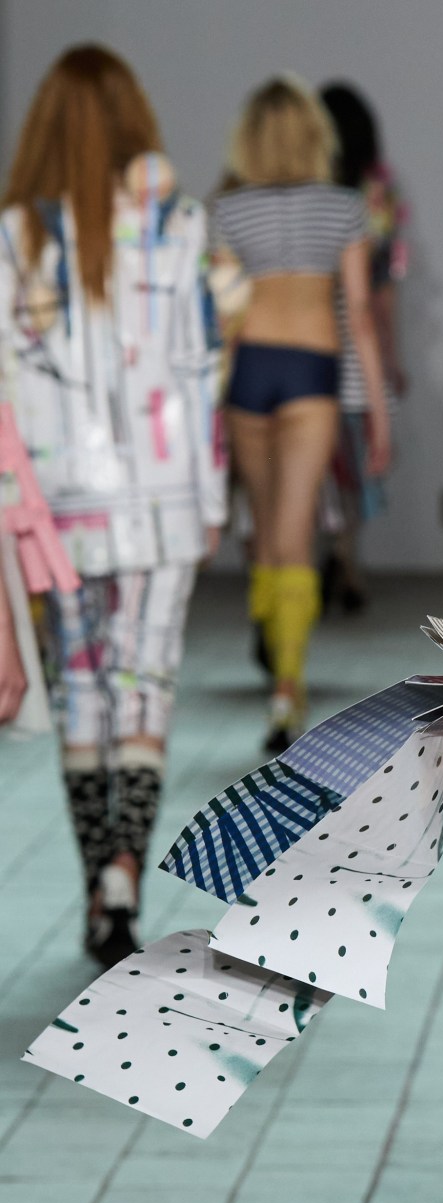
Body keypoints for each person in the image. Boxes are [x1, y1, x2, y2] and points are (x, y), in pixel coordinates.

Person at [0, 44, 226, 965]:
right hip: (163, 497)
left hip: (58, 508)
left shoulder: (14, 237)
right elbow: (199, 367)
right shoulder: (178, 223)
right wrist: (211, 495)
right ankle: (128, 868)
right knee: (145, 682)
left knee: (83, 686)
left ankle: (98, 878)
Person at [212, 76, 390, 752]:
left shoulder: (227, 211)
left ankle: (277, 657)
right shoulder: (346, 208)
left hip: (248, 371)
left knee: (264, 533)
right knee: (294, 533)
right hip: (311, 373)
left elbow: (223, 317)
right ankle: (288, 685)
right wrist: (378, 414)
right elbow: (360, 317)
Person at [318, 82, 408, 613]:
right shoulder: (377, 197)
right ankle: (345, 557)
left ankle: (320, 559)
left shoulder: (303, 191)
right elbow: (383, 286)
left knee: (316, 463)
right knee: (356, 462)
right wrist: (392, 358)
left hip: (309, 338)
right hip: (359, 347)